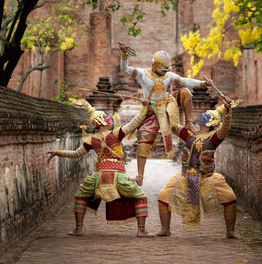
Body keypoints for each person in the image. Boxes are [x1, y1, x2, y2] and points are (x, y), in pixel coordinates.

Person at [47, 97, 154, 237]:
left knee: (81, 196)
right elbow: (134, 123)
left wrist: (58, 152)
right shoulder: (116, 134)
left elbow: (76, 154)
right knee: (141, 197)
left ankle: (78, 229)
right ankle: (141, 230)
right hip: (118, 176)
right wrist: (144, 107)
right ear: (104, 122)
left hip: (99, 177)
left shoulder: (91, 140)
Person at [118, 41, 212, 186]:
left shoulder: (168, 75)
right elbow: (125, 69)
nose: (164, 71)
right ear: (155, 64)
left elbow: (184, 81)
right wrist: (124, 54)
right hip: (150, 111)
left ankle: (188, 122)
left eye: (166, 69)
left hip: (168, 106)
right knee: (143, 143)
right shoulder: (142, 74)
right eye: (162, 68)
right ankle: (140, 177)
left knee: (185, 92)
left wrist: (202, 84)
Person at [155, 96, 240, 239]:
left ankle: (230, 231)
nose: (202, 118)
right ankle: (165, 229)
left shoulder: (214, 138)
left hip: (207, 177)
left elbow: (225, 128)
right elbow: (174, 125)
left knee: (230, 198)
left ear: (211, 122)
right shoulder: (189, 135)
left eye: (206, 117)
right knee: (162, 197)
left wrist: (227, 110)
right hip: (185, 176)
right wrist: (164, 107)